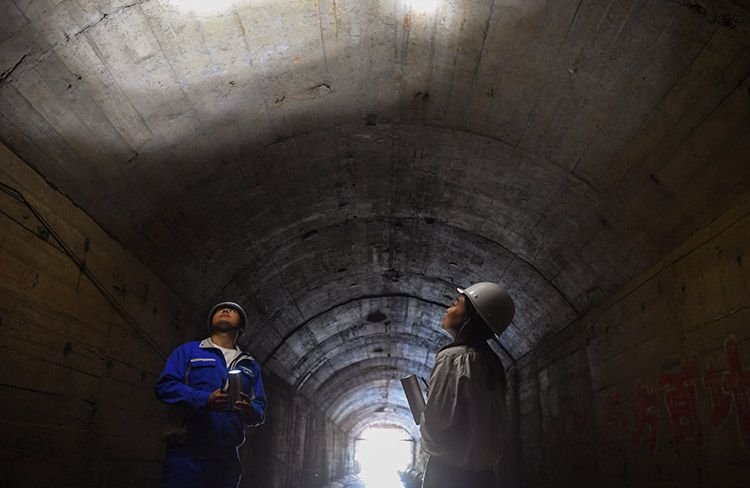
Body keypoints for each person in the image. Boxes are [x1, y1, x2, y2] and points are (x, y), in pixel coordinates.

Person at [155, 301, 267, 488]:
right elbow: (164, 387)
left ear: (241, 327)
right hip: (187, 456)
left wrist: (249, 410)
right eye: (219, 310)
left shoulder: (250, 365)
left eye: (232, 310)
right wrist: (204, 399)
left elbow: (260, 409)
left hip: (227, 461)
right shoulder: (188, 351)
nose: (224, 310)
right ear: (210, 322)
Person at [419, 282, 515, 488]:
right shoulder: (492, 363)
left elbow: (436, 427)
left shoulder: (453, 358)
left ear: (470, 317)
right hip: (483, 477)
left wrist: (428, 408)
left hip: (449, 476)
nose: (448, 308)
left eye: (456, 304)